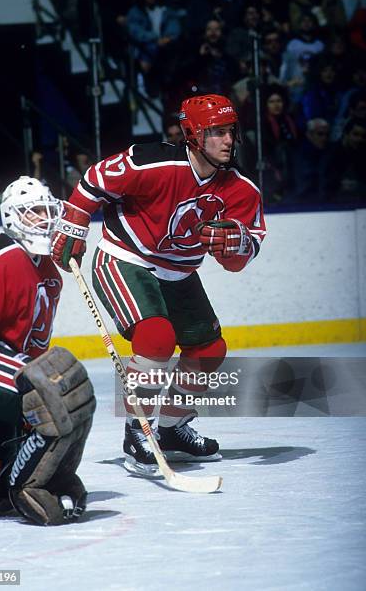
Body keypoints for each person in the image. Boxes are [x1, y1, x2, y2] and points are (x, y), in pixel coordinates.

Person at [52, 94, 266, 477]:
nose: (228, 140)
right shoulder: (154, 162)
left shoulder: (241, 190)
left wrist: (237, 244)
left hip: (179, 272)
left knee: (210, 350)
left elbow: (239, 260)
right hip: (125, 257)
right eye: (216, 132)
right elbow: (95, 179)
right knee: (156, 339)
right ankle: (138, 430)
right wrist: (73, 223)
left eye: (230, 131)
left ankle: (168, 428)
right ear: (193, 135)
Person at [0, 176, 96, 525]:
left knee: (66, 389)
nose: (44, 220)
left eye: (48, 211)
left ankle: (40, 478)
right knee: (48, 397)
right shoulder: (0, 259)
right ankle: (26, 488)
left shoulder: (49, 274)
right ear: (12, 218)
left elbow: (27, 359)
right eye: (33, 213)